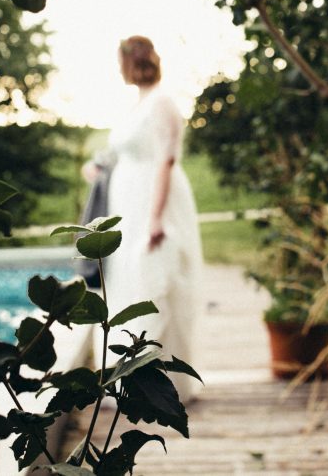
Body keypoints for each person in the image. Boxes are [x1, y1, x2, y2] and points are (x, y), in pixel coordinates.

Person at [85, 35, 203, 402]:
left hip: (153, 202)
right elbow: (125, 152)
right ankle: (128, 380)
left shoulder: (162, 102)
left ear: (130, 63)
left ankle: (161, 385)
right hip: (127, 205)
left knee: (154, 279)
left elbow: (165, 160)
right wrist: (100, 169)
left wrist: (156, 218)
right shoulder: (137, 103)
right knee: (127, 281)